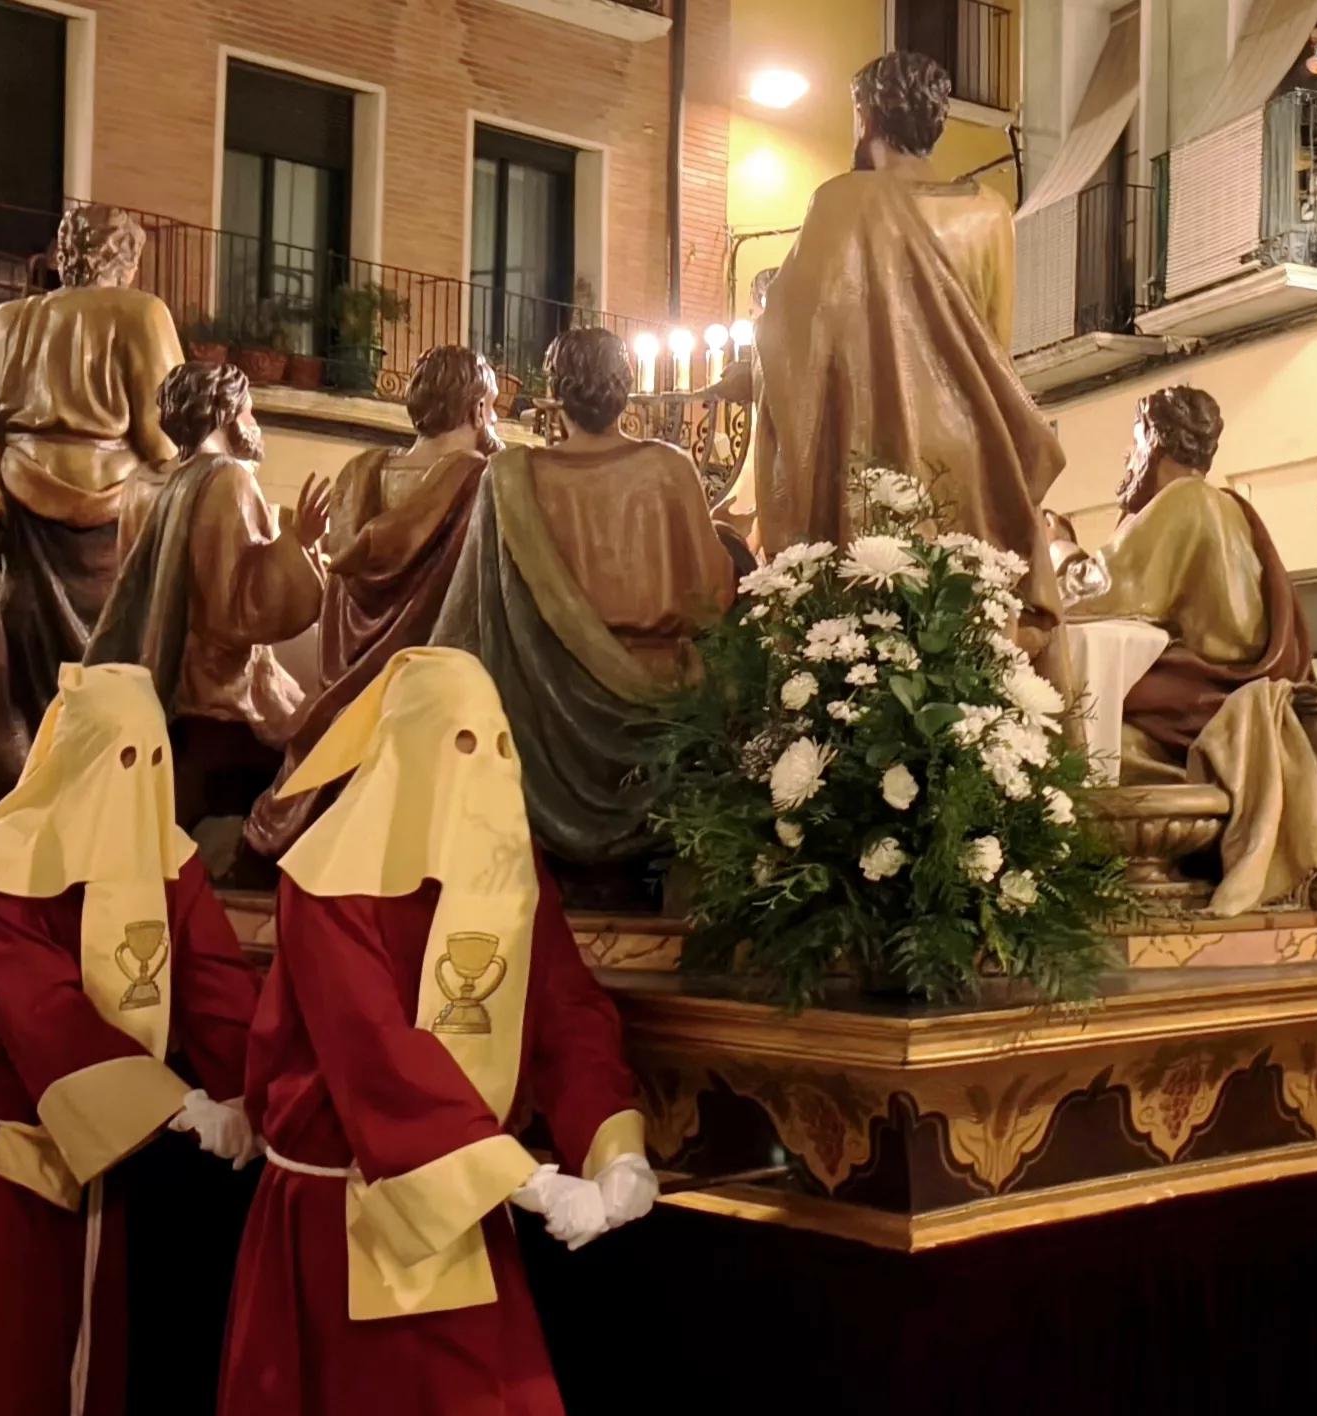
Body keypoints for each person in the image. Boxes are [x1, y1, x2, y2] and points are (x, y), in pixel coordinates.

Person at [211, 646, 655, 1416]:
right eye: (460, 741)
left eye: (498, 741)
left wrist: (616, 1149)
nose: (484, 764)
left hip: (465, 1218)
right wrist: (529, 1181)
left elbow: (566, 1014)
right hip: (337, 1228)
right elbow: (378, 1056)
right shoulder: (327, 879)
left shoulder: (512, 863)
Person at [0, 662, 260, 1416]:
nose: (136, 779)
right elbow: (37, 1004)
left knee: (79, 1375)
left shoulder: (169, 861)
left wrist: (251, 1095)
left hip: (100, 1155)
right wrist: (172, 1103)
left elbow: (213, 986)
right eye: (116, 756)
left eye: (151, 758)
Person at [747, 51, 1065, 633]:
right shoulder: (992, 213)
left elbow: (791, 341)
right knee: (967, 627)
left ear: (866, 117)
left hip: (875, 446)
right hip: (968, 451)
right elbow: (995, 345)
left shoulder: (839, 203)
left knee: (870, 626)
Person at [432, 328, 736, 885]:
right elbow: (714, 601)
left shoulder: (509, 480)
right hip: (660, 708)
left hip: (541, 714)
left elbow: (466, 621)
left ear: (556, 393)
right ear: (625, 390)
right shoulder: (670, 469)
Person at [0, 204, 186, 834]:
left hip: (23, 529)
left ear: (64, 255)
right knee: (115, 681)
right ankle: (106, 819)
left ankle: (29, 820)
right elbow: (165, 435)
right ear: (126, 259)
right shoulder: (140, 314)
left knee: (30, 688)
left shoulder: (6, 322)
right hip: (115, 534)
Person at [1062, 387, 1317, 912]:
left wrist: (1057, 547)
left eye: (1133, 443)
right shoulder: (1227, 505)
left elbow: (1097, 592)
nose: (1126, 457)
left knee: (1086, 746)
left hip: (1204, 708)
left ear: (1154, 443)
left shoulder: (1183, 502)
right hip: (1215, 696)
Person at [244, 345, 502, 860]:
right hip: (431, 696)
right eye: (492, 407)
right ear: (476, 410)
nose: (493, 419)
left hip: (347, 682)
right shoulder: (480, 481)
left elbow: (337, 576)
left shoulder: (360, 473)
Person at [87, 362, 330, 831]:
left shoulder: (142, 483)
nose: (255, 425)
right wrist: (299, 541)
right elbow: (240, 609)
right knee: (328, 750)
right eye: (250, 412)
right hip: (221, 692)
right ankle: (259, 849)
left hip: (157, 680)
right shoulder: (228, 479)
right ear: (225, 413)